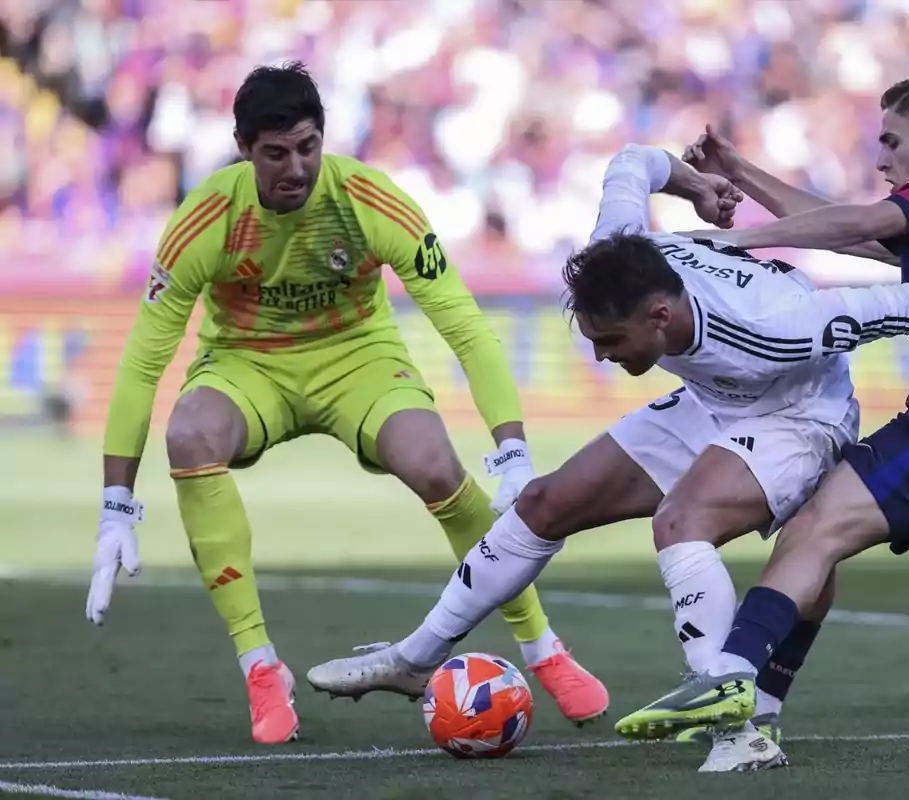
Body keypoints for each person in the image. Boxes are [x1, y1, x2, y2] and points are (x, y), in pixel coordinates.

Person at [305, 138, 909, 772]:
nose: (602, 358)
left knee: (680, 520)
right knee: (545, 503)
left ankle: (737, 727)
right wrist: (693, 181)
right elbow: (632, 164)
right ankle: (416, 656)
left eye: (613, 343)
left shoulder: (783, 324)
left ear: (659, 317)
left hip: (799, 414)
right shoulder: (622, 257)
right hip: (714, 398)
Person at [83, 62, 608, 745]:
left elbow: (462, 323)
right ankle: (260, 667)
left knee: (435, 463)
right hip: (248, 365)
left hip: (357, 358)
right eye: (276, 153)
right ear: (244, 149)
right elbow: (144, 358)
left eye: (307, 146)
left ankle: (544, 649)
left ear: (323, 138)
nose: (295, 167)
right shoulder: (206, 217)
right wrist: (115, 504)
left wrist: (511, 448)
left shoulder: (368, 198)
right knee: (189, 436)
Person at [614, 72, 909, 756]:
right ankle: (751, 713)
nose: (881, 159)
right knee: (810, 534)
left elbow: (854, 220)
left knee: (813, 531)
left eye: (891, 141)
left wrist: (728, 245)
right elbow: (849, 237)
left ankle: (731, 678)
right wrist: (741, 172)